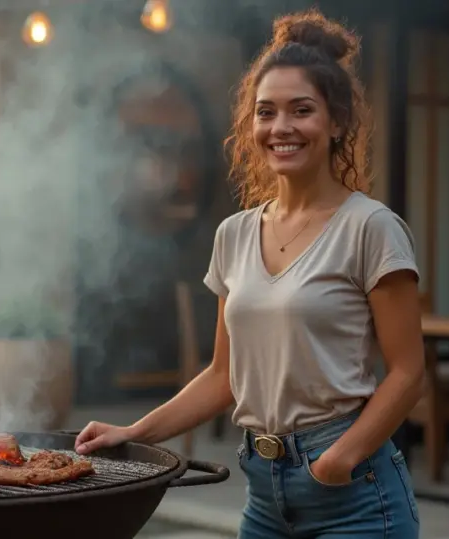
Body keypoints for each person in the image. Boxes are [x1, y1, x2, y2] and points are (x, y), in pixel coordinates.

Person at [76, 8, 425, 539]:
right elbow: (224, 377)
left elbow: (407, 373)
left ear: (336, 122)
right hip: (262, 494)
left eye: (301, 110)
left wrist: (337, 460)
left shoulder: (371, 228)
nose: (281, 127)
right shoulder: (234, 235)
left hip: (352, 496)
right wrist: (135, 430)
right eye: (266, 112)